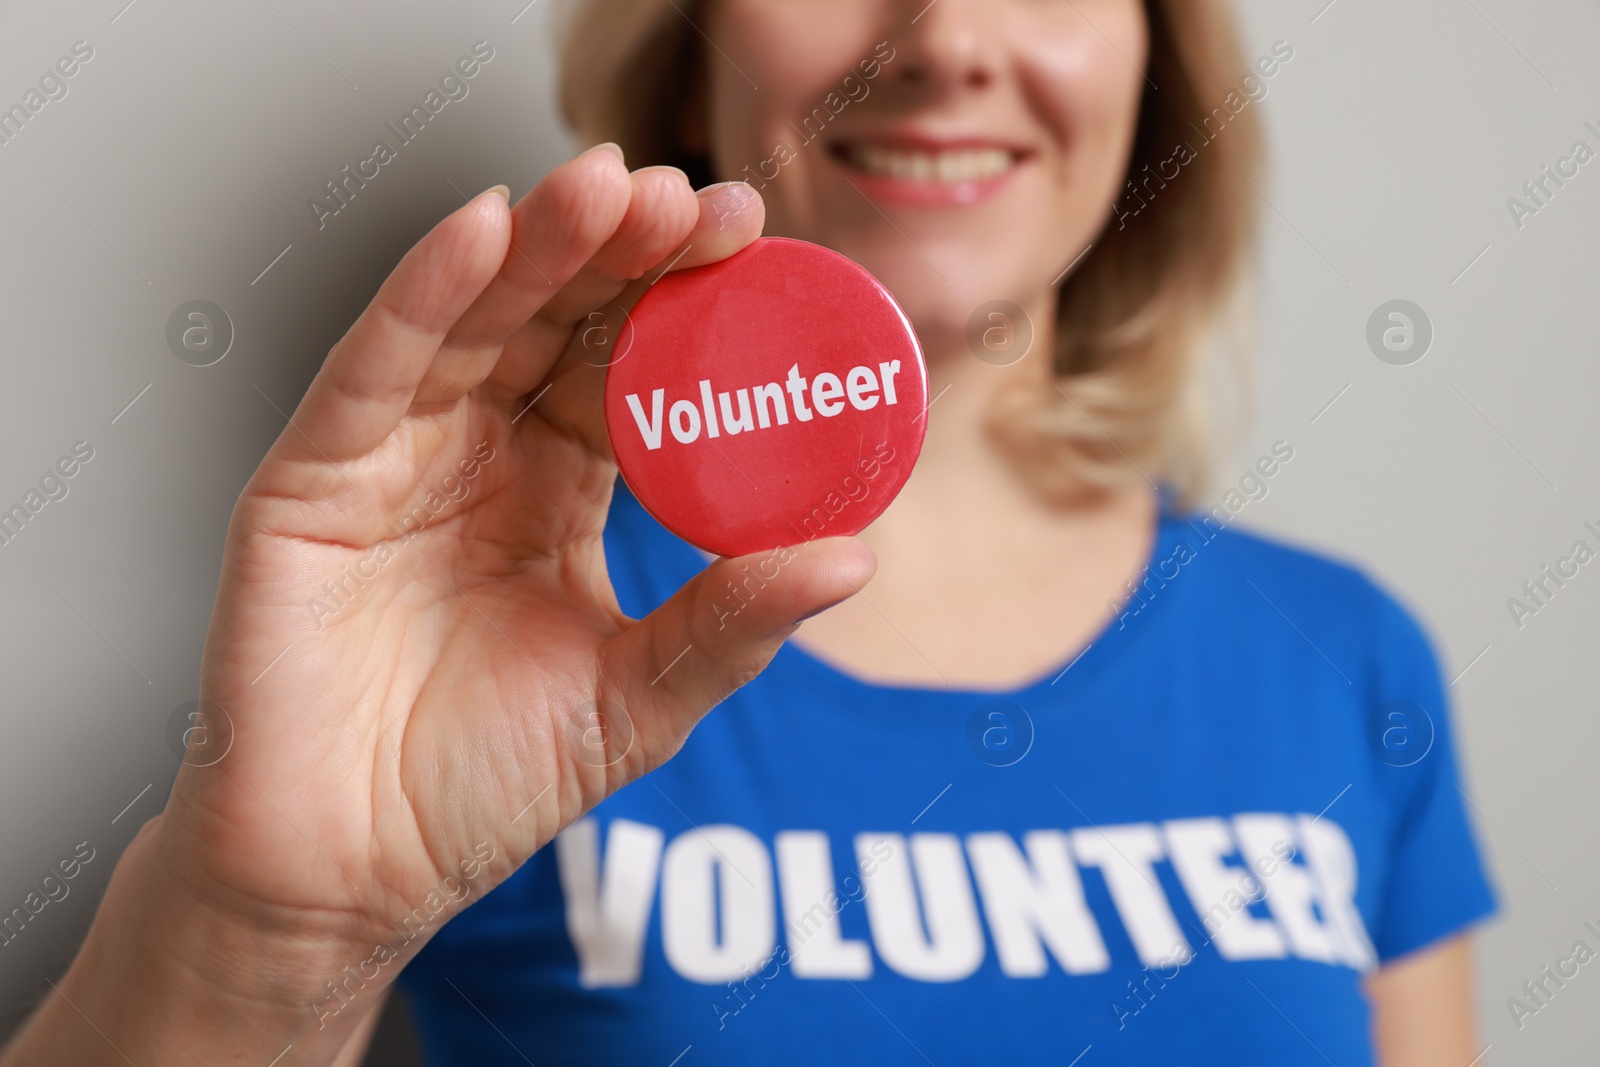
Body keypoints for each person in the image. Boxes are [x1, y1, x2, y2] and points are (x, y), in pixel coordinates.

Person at [1, 0, 1496, 1063]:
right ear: (688, 53)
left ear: (1157, 64)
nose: (950, 36)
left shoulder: (1345, 662)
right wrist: (263, 930)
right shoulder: (502, 629)